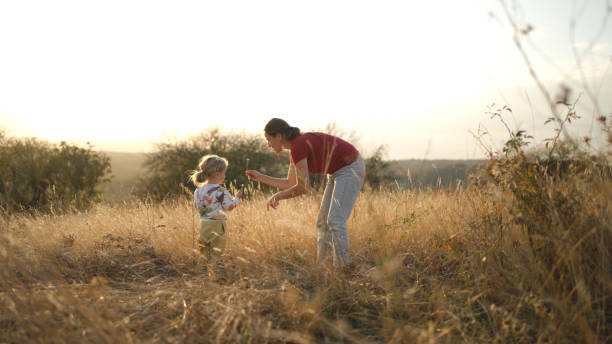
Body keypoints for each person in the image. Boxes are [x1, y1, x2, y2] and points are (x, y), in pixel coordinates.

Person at [245, 118, 366, 268]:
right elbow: (290, 183)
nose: (268, 144)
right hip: (337, 172)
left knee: (335, 220)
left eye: (269, 139)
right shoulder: (295, 149)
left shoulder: (298, 145)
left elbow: (303, 187)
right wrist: (260, 177)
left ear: (279, 136)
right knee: (323, 222)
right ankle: (323, 267)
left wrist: (278, 196)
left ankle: (342, 268)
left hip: (350, 167)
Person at [190, 154, 242, 270]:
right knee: (217, 251)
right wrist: (237, 198)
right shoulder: (221, 191)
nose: (225, 175)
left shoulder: (198, 191)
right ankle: (215, 274)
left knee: (204, 252)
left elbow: (199, 206)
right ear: (217, 174)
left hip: (203, 225)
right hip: (218, 226)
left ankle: (201, 272)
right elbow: (229, 207)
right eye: (224, 173)